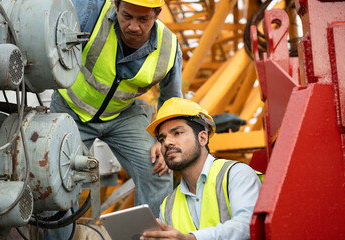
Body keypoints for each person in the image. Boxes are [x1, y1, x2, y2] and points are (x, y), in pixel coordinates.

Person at [47, 0, 182, 238]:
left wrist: (164, 141)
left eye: (143, 20)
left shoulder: (169, 47)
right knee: (57, 178)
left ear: (157, 14)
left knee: (159, 167)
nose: (134, 27)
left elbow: (171, 101)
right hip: (72, 108)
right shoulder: (91, 11)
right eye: (127, 16)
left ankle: (149, 238)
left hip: (123, 115)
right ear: (116, 6)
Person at [141, 98, 262, 240]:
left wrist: (191, 238)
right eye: (162, 139)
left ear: (203, 138)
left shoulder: (236, 175)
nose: (167, 142)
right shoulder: (168, 206)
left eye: (177, 133)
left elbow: (248, 226)